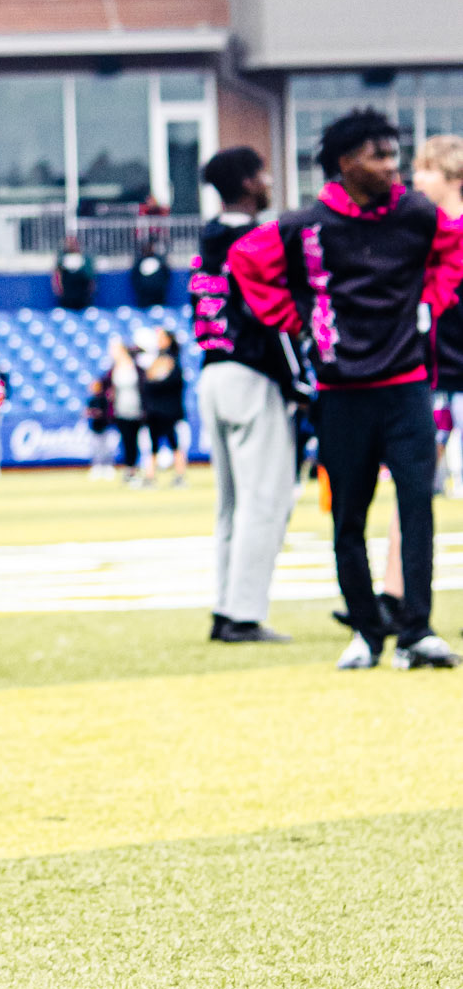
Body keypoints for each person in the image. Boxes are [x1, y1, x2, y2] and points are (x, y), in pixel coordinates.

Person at [229, 106, 463, 670]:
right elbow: (245, 261)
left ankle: (417, 632)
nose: (392, 165)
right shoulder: (306, 225)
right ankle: (366, 632)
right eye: (379, 156)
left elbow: (454, 248)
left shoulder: (416, 213)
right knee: (348, 518)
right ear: (345, 162)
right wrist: (296, 320)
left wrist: (431, 300)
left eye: (394, 154)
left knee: (417, 508)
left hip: (407, 384)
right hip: (340, 391)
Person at [192, 146, 300, 644]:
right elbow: (272, 315)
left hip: (212, 370)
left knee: (231, 505)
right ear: (249, 183)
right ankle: (244, 614)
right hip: (253, 374)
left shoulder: (207, 240)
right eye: (264, 174)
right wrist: (300, 380)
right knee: (265, 501)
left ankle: (225, 607)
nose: (270, 181)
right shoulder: (258, 240)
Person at [374, 135, 463, 625]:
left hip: (455, 377)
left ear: (454, 177)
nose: (416, 178)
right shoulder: (416, 235)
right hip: (428, 380)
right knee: (411, 488)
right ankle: (393, 595)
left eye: (427, 169)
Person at [139, 325, 188, 486]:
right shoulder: (156, 358)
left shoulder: (172, 359)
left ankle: (180, 475)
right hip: (154, 409)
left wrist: (154, 381)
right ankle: (150, 476)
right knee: (153, 444)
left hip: (168, 409)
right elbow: (147, 383)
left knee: (174, 442)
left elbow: (171, 382)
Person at [106, 337, 144, 482]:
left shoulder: (134, 366)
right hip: (120, 410)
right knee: (126, 440)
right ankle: (129, 469)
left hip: (136, 409)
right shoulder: (114, 369)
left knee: (134, 440)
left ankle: (134, 468)